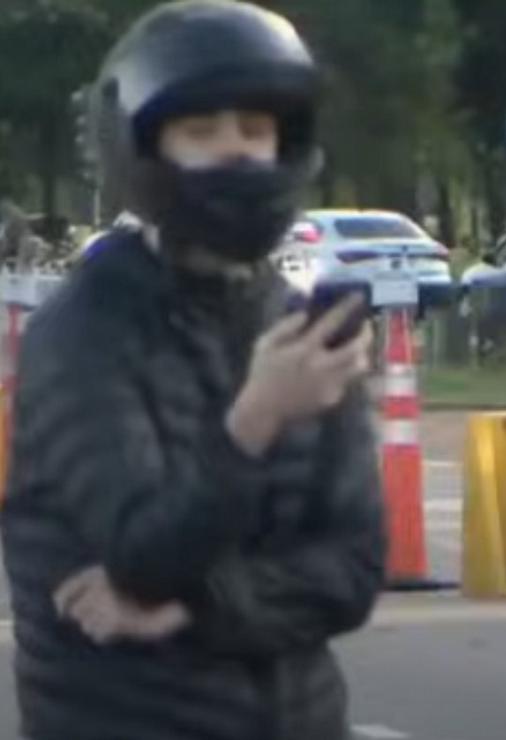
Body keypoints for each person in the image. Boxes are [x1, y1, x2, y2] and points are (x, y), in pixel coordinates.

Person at [1, 2, 384, 739]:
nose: (237, 153)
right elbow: (141, 553)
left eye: (254, 130)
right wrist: (255, 419)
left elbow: (355, 572)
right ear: (145, 148)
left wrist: (199, 604)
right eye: (202, 133)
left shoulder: (298, 328)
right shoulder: (81, 333)